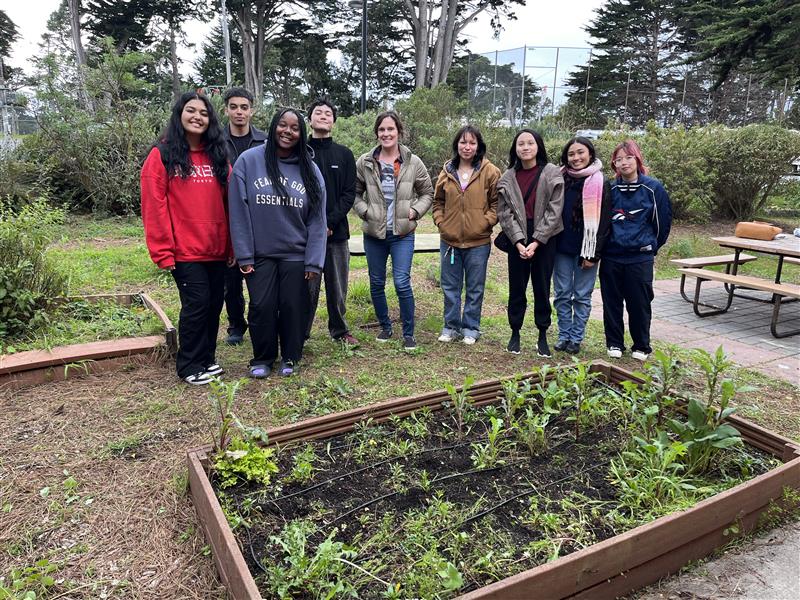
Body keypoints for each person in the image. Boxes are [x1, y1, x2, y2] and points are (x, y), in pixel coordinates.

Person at [228, 108, 327, 378]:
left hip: (296, 254)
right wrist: (244, 255)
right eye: (283, 125)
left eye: (295, 128)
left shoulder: (310, 169)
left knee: (294, 307)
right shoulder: (249, 161)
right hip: (260, 254)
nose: (288, 131)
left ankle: (291, 357)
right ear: (273, 127)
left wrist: (314, 261)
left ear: (301, 133)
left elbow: (318, 219)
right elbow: (238, 211)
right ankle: (262, 358)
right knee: (262, 307)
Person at [141, 91, 231, 385]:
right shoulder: (163, 155)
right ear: (179, 115)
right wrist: (162, 251)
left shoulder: (218, 154)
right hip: (185, 251)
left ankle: (207, 358)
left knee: (215, 303)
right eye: (191, 111)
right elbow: (154, 206)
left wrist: (232, 245)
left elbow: (231, 202)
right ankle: (189, 364)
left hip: (216, 248)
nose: (198, 117)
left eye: (204, 113)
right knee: (197, 305)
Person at [353, 110, 433, 351]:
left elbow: (427, 192)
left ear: (399, 131)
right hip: (374, 235)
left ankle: (408, 332)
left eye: (390, 129)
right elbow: (354, 193)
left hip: (402, 234)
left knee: (401, 282)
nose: (386, 133)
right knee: (376, 282)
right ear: (377, 133)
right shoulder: (365, 162)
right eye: (382, 129)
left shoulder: (413, 162)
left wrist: (415, 211)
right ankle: (385, 326)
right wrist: (365, 211)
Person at [600, 139, 672, 361]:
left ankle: (641, 345)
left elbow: (662, 224)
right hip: (612, 255)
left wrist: (649, 247)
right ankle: (614, 343)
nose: (624, 163)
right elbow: (602, 221)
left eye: (628, 158)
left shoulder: (653, 188)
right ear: (614, 164)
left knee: (639, 303)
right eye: (619, 159)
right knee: (611, 302)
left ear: (637, 159)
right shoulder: (609, 188)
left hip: (639, 257)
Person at [496, 129, 564, 357]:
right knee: (517, 288)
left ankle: (542, 334)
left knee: (542, 288)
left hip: (546, 238)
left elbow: (555, 212)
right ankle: (515, 332)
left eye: (530, 143)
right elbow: (505, 214)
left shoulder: (552, 172)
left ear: (538, 146)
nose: (525, 147)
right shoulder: (507, 177)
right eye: (520, 144)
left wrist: (536, 242)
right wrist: (518, 242)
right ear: (515, 148)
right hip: (518, 237)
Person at [432, 125, 500, 345]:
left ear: (478, 145)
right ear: (456, 145)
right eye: (463, 142)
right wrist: (441, 222)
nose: (467, 147)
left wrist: (484, 223)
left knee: (475, 287)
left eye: (472, 142)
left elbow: (497, 204)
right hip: (449, 241)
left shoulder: (490, 171)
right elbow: (438, 202)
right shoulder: (447, 171)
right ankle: (451, 326)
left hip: (478, 241)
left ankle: (471, 328)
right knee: (450, 287)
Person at [304, 98, 359, 348]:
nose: (323, 116)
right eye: (318, 112)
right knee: (306, 287)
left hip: (337, 233)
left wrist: (330, 222)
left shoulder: (344, 154)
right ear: (310, 119)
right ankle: (301, 332)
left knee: (338, 287)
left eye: (328, 113)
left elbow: (349, 193)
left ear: (334, 122)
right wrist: (313, 225)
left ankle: (339, 330)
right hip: (304, 234)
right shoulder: (300, 152)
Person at [552, 137, 612, 355]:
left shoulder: (599, 181)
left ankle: (576, 338)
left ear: (590, 154)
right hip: (561, 247)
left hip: (587, 249)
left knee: (582, 296)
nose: (576, 158)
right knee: (561, 294)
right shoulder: (559, 178)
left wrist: (594, 254)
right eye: (571, 154)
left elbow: (605, 221)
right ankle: (564, 335)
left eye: (580, 153)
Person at [221, 87, 267, 346]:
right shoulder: (215, 141)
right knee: (231, 279)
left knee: (258, 275)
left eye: (244, 107)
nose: (239, 112)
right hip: (227, 214)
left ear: (252, 110)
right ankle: (236, 325)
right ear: (226, 109)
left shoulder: (264, 141)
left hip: (259, 215)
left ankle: (259, 319)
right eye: (234, 107)